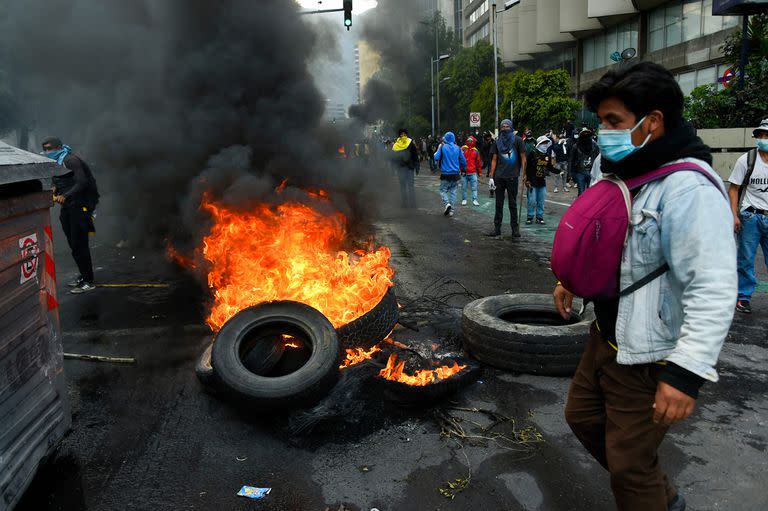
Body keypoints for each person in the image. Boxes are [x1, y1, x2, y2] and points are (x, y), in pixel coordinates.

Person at [554, 61, 735, 511]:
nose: (603, 132)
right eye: (601, 121)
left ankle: (650, 493)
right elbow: (602, 235)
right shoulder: (616, 165)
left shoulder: (686, 189)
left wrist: (686, 374)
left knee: (629, 468)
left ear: (652, 122)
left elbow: (712, 287)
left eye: (614, 121)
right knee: (581, 416)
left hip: (649, 354)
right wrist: (570, 280)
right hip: (605, 337)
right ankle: (660, 495)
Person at [42, 137, 99, 294]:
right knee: (73, 245)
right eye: (45, 149)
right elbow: (58, 181)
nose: (47, 152)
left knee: (80, 244)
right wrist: (54, 189)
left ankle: (89, 281)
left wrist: (65, 195)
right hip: (67, 208)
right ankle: (83, 276)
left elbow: (82, 182)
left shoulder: (71, 160)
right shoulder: (55, 163)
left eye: (50, 149)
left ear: (59, 147)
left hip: (80, 207)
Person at [728, 118, 768, 314]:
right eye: (761, 135)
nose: (763, 139)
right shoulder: (746, 160)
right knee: (745, 259)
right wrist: (734, 215)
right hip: (750, 217)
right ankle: (743, 297)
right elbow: (734, 188)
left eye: (767, 135)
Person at [487, 119, 526, 237]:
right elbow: (494, 159)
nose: (504, 128)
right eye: (502, 126)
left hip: (512, 176)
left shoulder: (518, 140)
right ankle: (497, 228)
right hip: (499, 177)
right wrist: (491, 175)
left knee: (512, 204)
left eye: (507, 126)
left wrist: (524, 173)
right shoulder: (497, 142)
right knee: (498, 204)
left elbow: (523, 158)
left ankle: (515, 229)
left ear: (511, 127)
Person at [433, 131, 466, 217]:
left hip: (445, 173)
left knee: (442, 190)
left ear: (445, 138)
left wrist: (438, 149)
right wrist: (464, 170)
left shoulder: (442, 146)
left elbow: (436, 157)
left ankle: (447, 204)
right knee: (453, 192)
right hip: (455, 174)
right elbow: (463, 161)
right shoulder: (458, 148)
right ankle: (452, 211)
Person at [525, 135, 552, 224]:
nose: (545, 145)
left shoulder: (547, 155)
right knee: (532, 201)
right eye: (543, 143)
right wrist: (527, 179)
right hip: (532, 181)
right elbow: (527, 167)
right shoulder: (532, 153)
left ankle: (539, 217)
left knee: (541, 201)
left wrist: (558, 171)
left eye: (546, 143)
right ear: (539, 144)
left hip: (542, 181)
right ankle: (530, 216)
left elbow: (550, 167)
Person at [391, 128, 419, 209]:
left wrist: (417, 166)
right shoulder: (396, 145)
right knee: (403, 187)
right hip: (401, 169)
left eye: (404, 134)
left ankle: (413, 204)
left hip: (410, 168)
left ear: (407, 135)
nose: (403, 135)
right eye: (401, 134)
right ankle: (404, 204)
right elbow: (393, 158)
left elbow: (415, 156)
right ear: (399, 135)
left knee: (411, 187)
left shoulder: (410, 143)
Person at [569, 127, 599, 196]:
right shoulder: (576, 146)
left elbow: (598, 157)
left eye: (588, 135)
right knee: (581, 193)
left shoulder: (594, 145)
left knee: (591, 192)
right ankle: (580, 206)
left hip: (592, 172)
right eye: (584, 135)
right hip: (580, 172)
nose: (586, 136)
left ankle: (589, 206)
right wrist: (570, 173)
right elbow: (571, 160)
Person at [460, 136, 482, 206]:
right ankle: (464, 199)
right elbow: (459, 159)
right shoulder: (463, 149)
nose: (470, 141)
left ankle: (475, 200)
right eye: (468, 140)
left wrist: (480, 172)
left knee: (474, 188)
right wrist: (459, 169)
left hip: (473, 172)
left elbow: (478, 162)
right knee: (464, 188)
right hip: (464, 172)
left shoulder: (476, 151)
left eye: (471, 140)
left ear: (474, 141)